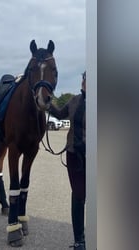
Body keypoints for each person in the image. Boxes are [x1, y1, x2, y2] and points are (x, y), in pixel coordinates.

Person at [49, 71, 86, 250]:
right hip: (74, 155)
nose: (85, 82)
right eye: (85, 79)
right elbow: (59, 114)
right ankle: (79, 239)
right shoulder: (74, 101)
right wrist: (47, 102)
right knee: (78, 195)